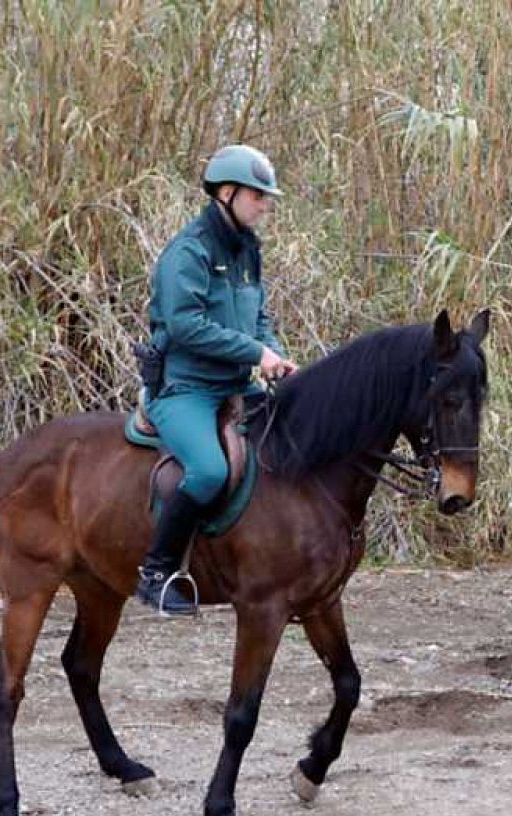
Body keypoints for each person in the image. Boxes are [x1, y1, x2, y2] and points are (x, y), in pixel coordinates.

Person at [134, 144, 297, 616]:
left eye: (266, 196)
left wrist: (275, 356)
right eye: (257, 195)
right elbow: (186, 326)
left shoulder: (247, 250)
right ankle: (157, 572)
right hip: (185, 388)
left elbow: (258, 315)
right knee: (208, 470)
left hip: (233, 385)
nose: (265, 204)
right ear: (226, 193)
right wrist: (255, 352)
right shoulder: (187, 252)